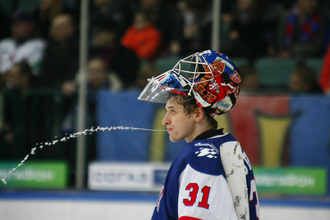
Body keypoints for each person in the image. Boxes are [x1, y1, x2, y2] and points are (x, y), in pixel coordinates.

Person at [138, 50, 260, 220]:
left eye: (173, 111)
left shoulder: (199, 158)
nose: (165, 120)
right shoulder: (226, 145)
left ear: (197, 114)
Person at [90, 19, 140, 88]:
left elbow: (129, 79)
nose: (96, 36)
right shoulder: (91, 52)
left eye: (100, 33)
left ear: (111, 35)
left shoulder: (126, 54)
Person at [39, 13, 79, 89]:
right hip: (51, 89)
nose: (54, 32)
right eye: (53, 28)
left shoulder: (78, 49)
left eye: (59, 28)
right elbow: (44, 74)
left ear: (71, 29)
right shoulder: (49, 49)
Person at [0, 10, 46, 76]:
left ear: (29, 27)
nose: (14, 28)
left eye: (18, 24)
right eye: (13, 24)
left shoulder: (39, 45)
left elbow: (35, 72)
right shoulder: (3, 44)